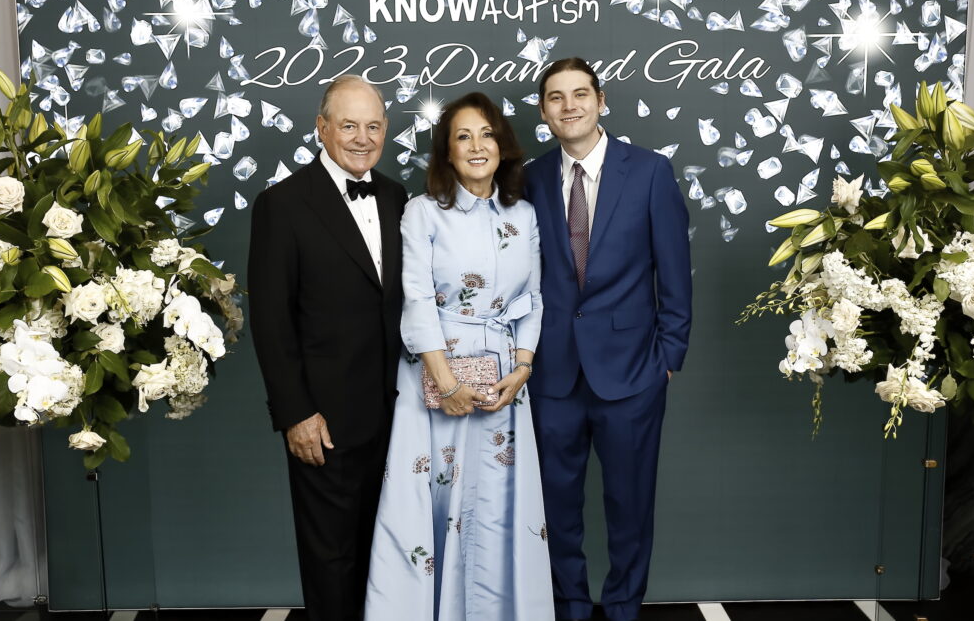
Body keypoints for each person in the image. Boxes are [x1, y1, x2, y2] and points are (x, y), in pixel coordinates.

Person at [364, 92, 554, 621]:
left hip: (505, 381)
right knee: (435, 503)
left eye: (486, 134)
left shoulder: (526, 215)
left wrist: (522, 368)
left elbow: (534, 300)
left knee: (497, 505)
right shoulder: (423, 213)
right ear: (446, 152)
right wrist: (446, 384)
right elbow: (417, 299)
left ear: (502, 145)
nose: (476, 146)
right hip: (436, 377)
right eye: (463, 136)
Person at [525, 58, 692, 621]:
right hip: (551, 374)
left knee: (630, 504)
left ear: (601, 101)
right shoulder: (528, 178)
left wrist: (668, 356)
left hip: (632, 374)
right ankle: (569, 606)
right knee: (555, 506)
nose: (568, 106)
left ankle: (623, 608)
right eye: (555, 97)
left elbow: (674, 273)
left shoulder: (649, 172)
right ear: (544, 110)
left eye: (579, 94)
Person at [247, 75, 407, 621]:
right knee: (331, 560)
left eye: (372, 126)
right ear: (321, 128)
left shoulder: (396, 195)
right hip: (326, 420)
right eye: (348, 125)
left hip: (399, 414)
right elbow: (270, 322)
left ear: (385, 130)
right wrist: (295, 413)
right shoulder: (282, 204)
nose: (362, 138)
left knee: (390, 554)